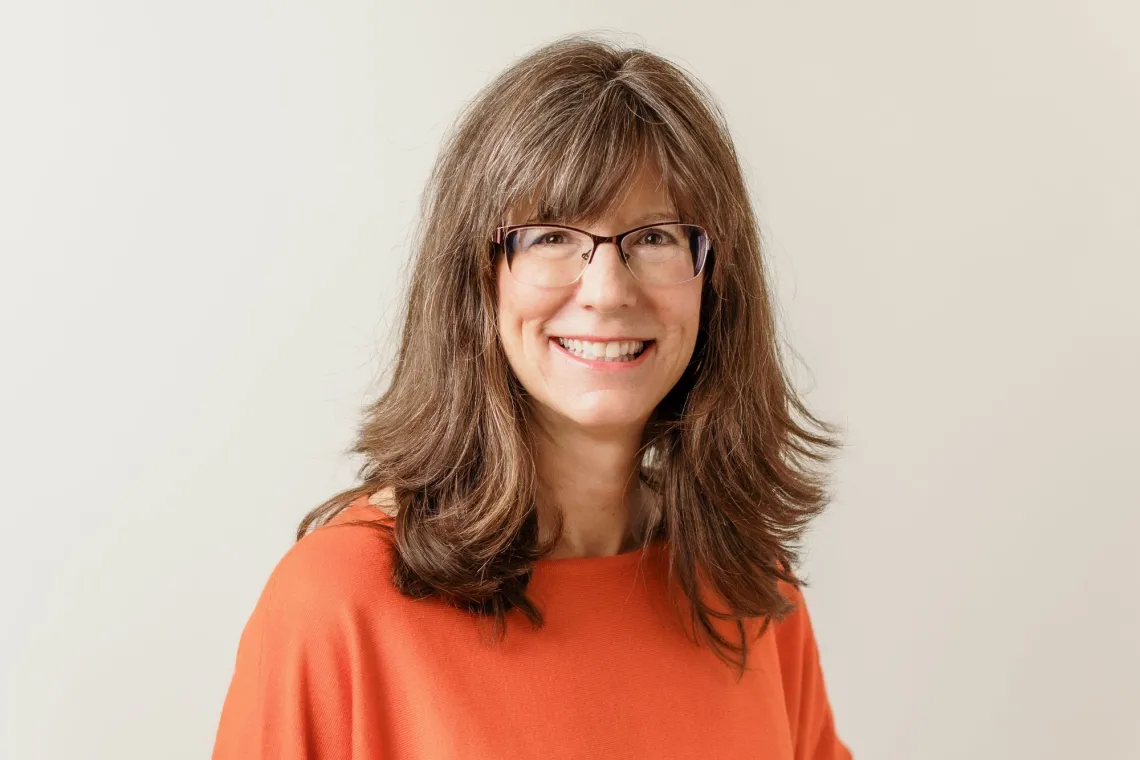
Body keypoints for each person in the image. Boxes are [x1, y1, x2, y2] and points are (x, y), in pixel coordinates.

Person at [212, 32, 852, 760]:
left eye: (655, 238)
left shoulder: (746, 586)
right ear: (476, 279)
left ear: (716, 281)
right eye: (550, 236)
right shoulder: (337, 604)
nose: (607, 292)